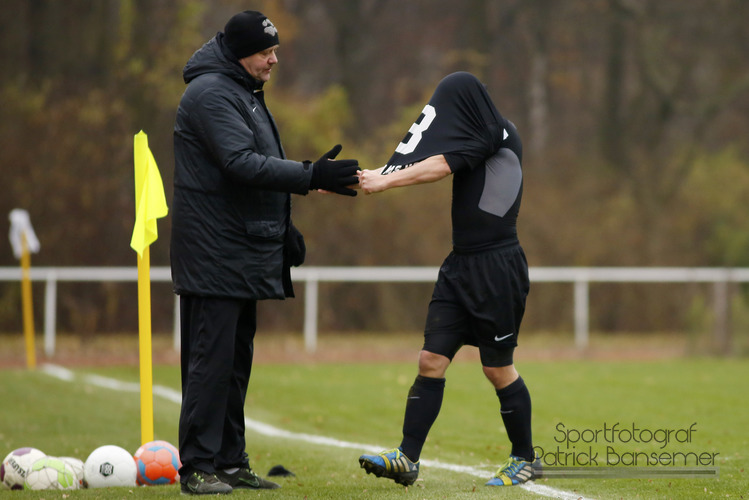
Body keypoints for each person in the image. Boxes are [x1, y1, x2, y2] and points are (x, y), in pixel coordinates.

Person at [171, 10, 359, 496]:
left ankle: (230, 462)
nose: (274, 60)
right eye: (265, 52)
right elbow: (240, 164)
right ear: (240, 54)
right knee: (210, 366)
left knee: (234, 366)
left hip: (240, 251)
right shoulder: (212, 93)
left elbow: (254, 172)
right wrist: (312, 176)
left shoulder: (244, 95)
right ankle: (196, 466)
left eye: (274, 50)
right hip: (214, 255)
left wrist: (282, 231)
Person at [357, 72, 536, 487]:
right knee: (431, 360)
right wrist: (364, 176)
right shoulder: (477, 130)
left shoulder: (497, 134)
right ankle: (407, 458)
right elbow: (419, 156)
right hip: (459, 266)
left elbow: (437, 166)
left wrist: (386, 182)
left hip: (497, 268)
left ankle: (525, 458)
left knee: (497, 368)